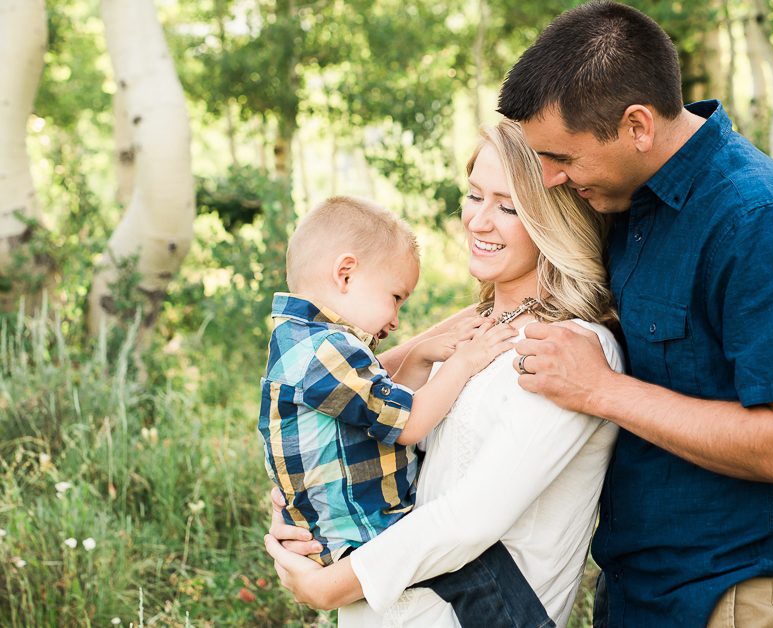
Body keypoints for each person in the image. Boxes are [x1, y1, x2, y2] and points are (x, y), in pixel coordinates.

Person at [497, 2, 773, 626]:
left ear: (637, 125)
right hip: (639, 594)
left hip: (741, 597)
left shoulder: (761, 220)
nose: (549, 179)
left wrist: (602, 390)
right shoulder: (626, 205)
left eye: (563, 158)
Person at [264, 119, 625, 627]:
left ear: (553, 218)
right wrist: (304, 505)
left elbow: (469, 519)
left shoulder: (573, 350)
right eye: (474, 195)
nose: (478, 221)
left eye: (507, 206)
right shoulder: (476, 330)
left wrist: (326, 585)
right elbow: (355, 423)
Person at [258, 195, 550, 626]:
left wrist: (418, 359)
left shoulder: (308, 342)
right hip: (360, 529)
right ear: (346, 274)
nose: (395, 320)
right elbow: (408, 424)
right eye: (395, 297)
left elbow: (381, 413)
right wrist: (466, 361)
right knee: (474, 567)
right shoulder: (326, 351)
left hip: (347, 524)